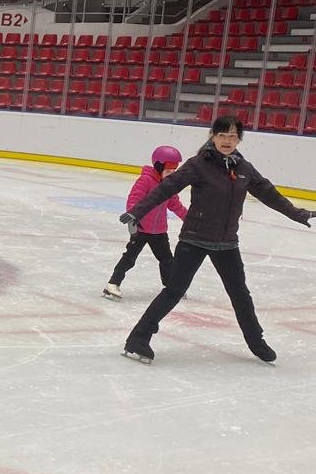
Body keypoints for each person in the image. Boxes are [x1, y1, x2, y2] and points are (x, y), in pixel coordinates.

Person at [121, 115, 312, 364]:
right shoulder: (199, 164)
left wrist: (298, 214)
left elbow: (269, 194)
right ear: (213, 136)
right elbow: (166, 188)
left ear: (239, 139)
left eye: (233, 136)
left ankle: (256, 342)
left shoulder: (243, 168)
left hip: (226, 242)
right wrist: (137, 211)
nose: (227, 140)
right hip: (194, 239)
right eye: (222, 135)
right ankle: (138, 339)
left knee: (240, 294)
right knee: (174, 291)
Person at [103, 145, 187, 299]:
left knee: (167, 260)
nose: (171, 175)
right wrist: (133, 217)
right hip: (141, 229)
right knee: (129, 258)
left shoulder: (169, 185)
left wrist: (189, 220)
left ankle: (171, 287)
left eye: (174, 171)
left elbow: (176, 205)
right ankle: (113, 284)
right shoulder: (146, 180)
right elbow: (134, 199)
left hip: (159, 231)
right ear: (158, 167)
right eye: (168, 171)